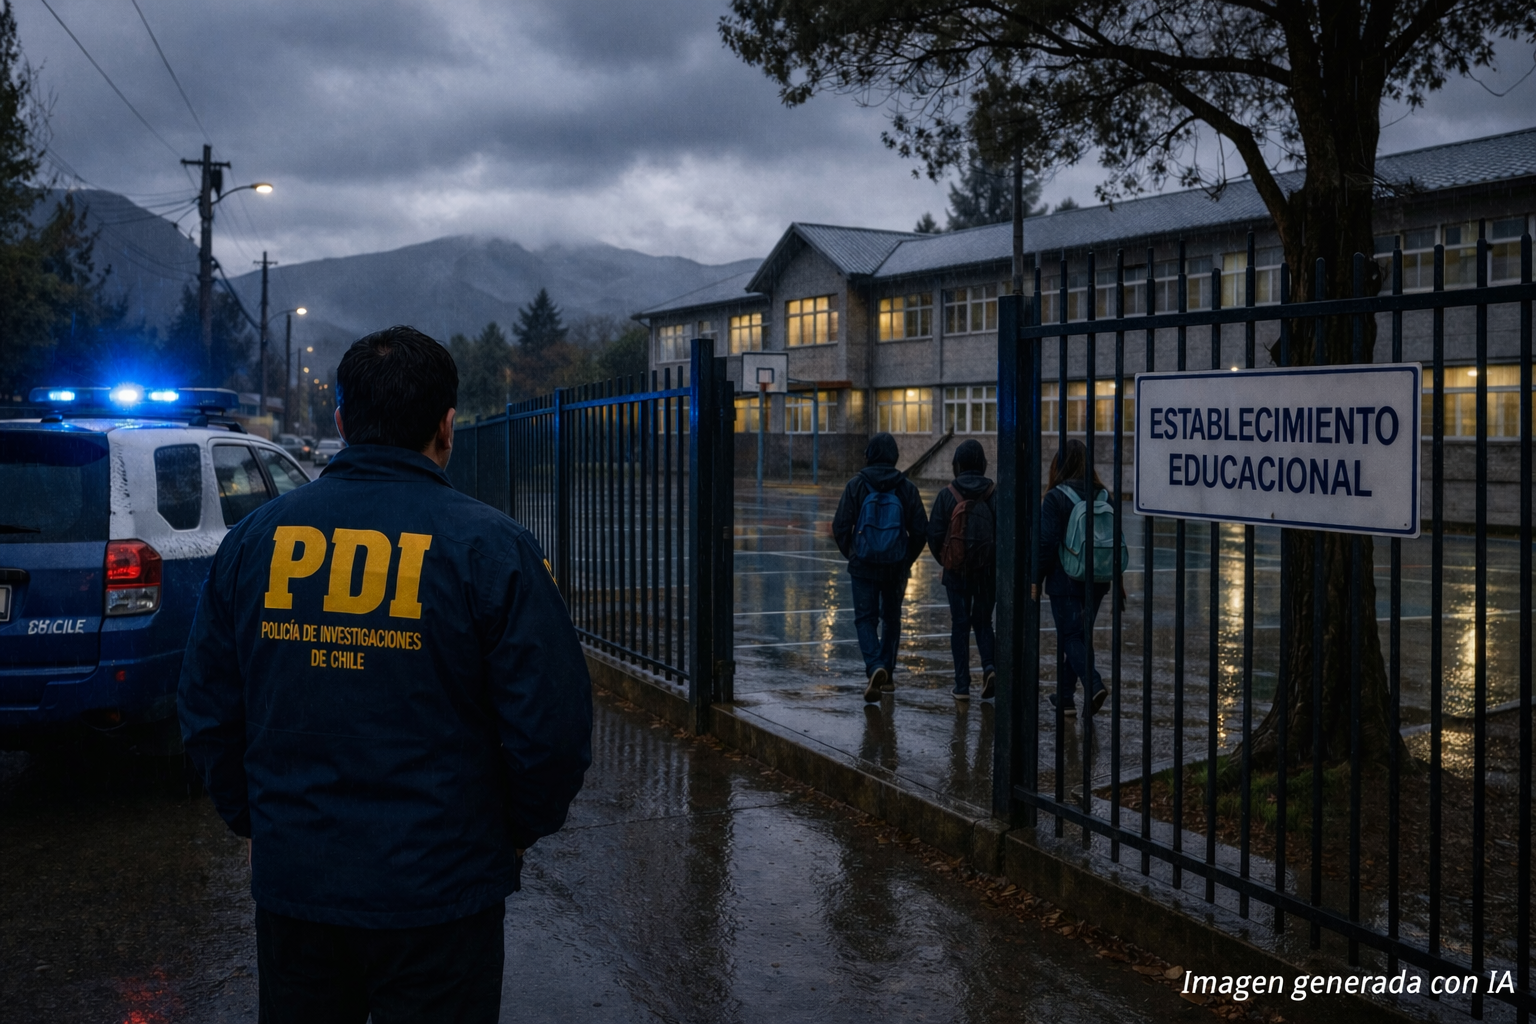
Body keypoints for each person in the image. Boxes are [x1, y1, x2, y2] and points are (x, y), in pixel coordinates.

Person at [179, 326, 593, 1022]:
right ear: (447, 425)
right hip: (443, 895)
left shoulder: (254, 541)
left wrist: (260, 824)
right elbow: (549, 733)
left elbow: (208, 711)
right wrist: (509, 835)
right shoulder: (491, 550)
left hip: (298, 889)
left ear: (341, 421)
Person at [832, 432, 928, 703]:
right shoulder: (906, 487)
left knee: (865, 618)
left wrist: (854, 553)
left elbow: (840, 526)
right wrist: (905, 559)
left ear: (870, 455)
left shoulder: (857, 485)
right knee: (892, 618)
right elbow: (921, 530)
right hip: (895, 567)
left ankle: (875, 666)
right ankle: (888, 673)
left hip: (863, 566)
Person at [1033, 438, 1110, 718]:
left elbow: (1046, 543)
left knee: (1070, 637)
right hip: (1099, 578)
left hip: (1065, 579)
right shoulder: (1103, 495)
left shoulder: (1055, 497)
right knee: (1080, 636)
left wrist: (1036, 577)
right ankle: (1065, 696)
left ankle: (1093, 683)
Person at [926, 439, 997, 702]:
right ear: (982, 464)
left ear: (957, 464)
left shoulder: (948, 494)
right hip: (987, 573)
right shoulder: (993, 493)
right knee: (983, 621)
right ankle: (990, 667)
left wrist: (948, 560)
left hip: (956, 574)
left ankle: (962, 685)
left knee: (959, 625)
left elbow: (933, 533)